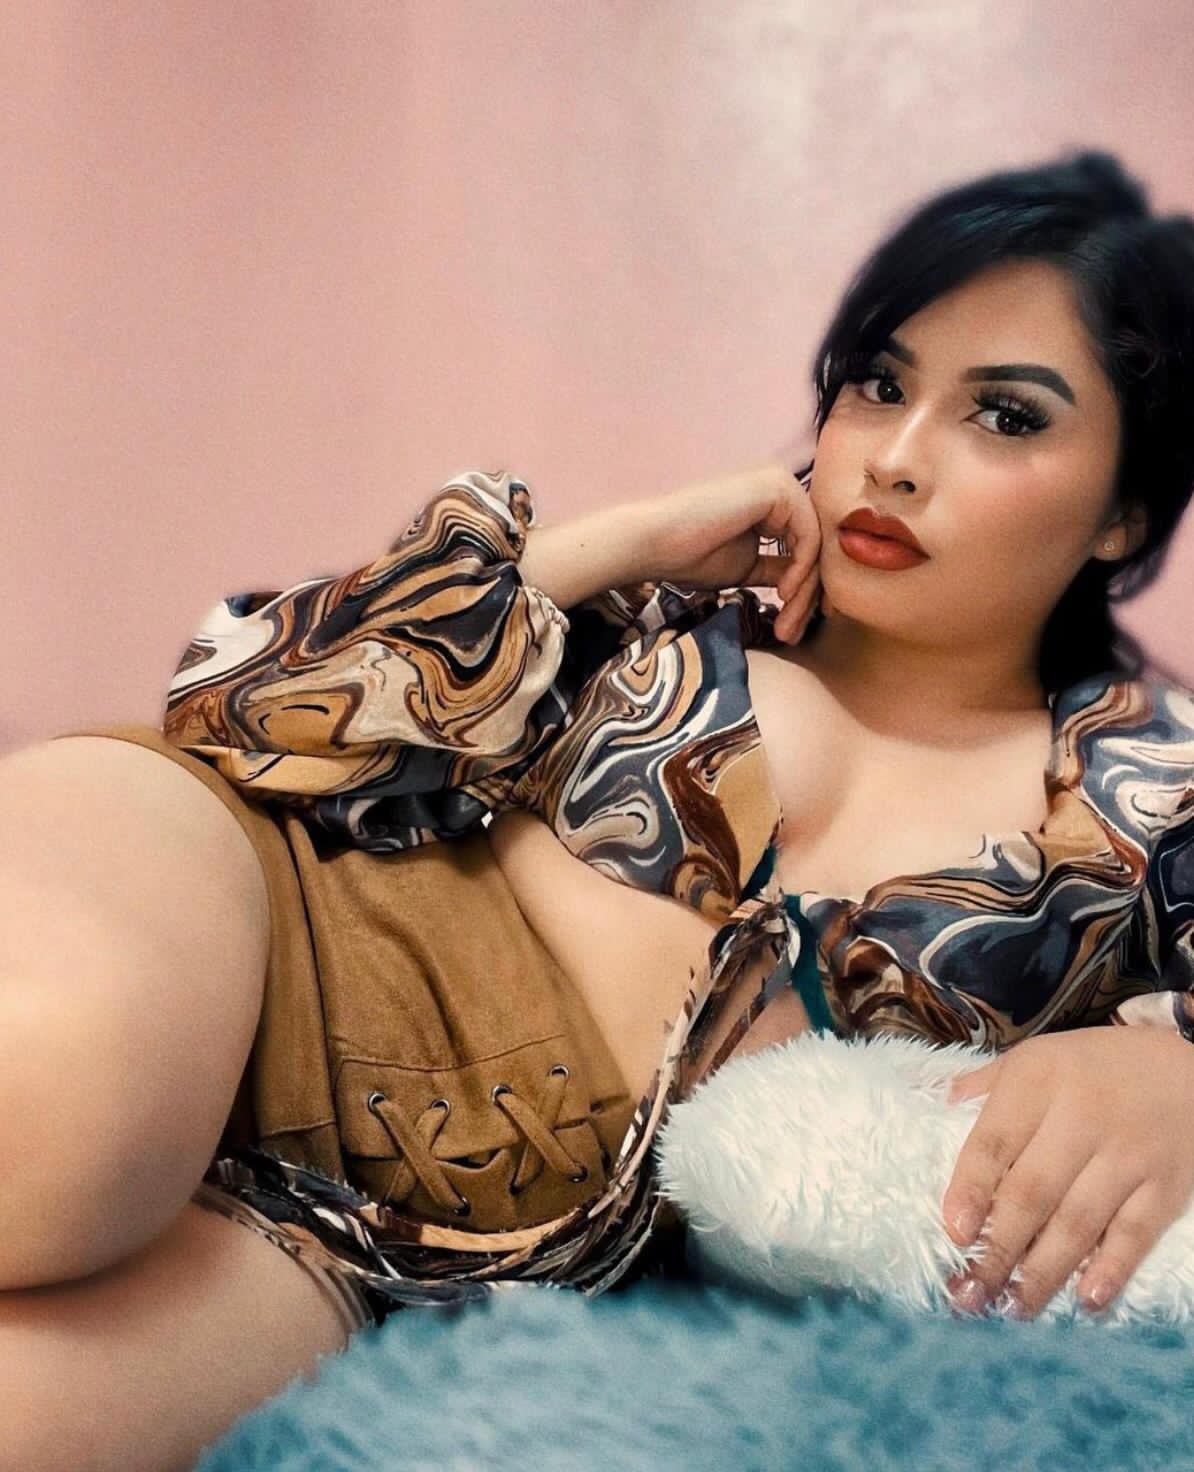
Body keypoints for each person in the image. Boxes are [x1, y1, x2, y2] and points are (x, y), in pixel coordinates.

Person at [4, 145, 1194, 1468]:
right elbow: (239, 697)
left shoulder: (1150, 800)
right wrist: (617, 543)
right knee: (55, 1107)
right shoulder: (662, 614)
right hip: (256, 902)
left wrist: (1175, 1075)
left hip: (406, 1232)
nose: (899, 459)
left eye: (1006, 417)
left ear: (1123, 511)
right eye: (878, 385)